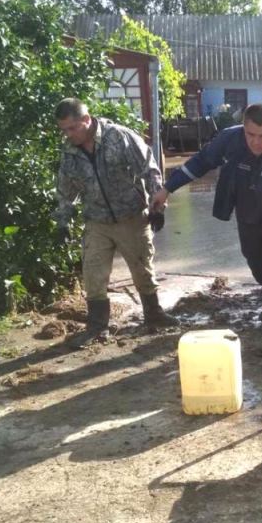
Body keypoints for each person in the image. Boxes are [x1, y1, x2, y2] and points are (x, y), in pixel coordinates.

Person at [151, 104, 262, 372]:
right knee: (258, 267)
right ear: (244, 128)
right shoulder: (229, 140)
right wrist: (167, 189)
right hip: (248, 215)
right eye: (250, 134)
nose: (256, 142)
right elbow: (200, 162)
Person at [53, 98, 179, 348]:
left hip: (131, 216)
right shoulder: (70, 152)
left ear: (86, 120)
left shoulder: (119, 137)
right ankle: (97, 326)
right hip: (96, 221)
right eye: (64, 130)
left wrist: (157, 205)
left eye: (72, 128)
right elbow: (66, 189)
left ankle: (154, 315)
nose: (68, 134)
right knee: (93, 274)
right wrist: (62, 222)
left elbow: (149, 168)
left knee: (142, 269)